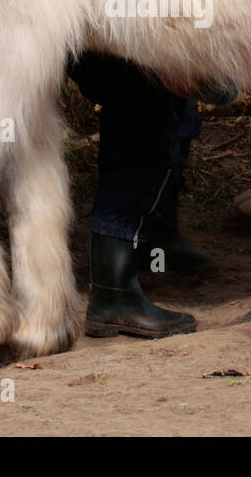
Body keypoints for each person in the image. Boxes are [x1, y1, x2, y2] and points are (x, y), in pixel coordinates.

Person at [68, 52, 212, 339]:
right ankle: (113, 297)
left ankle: (156, 243)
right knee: (143, 120)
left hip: (140, 31)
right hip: (120, 32)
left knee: (177, 112)